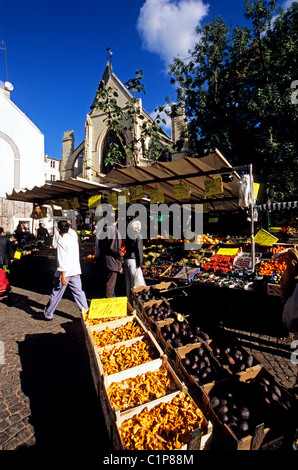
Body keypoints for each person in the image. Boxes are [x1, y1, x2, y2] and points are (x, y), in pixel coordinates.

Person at [42, 219, 89, 321]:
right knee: (79, 293)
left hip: (65, 272)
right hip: (75, 270)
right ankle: (86, 312)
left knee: (56, 293)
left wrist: (62, 274)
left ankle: (48, 313)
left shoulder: (61, 241)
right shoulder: (73, 239)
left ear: (58, 229)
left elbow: (62, 258)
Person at [96, 210, 123, 298]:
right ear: (117, 220)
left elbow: (100, 245)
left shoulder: (103, 229)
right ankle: (109, 305)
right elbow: (115, 248)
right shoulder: (114, 231)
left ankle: (107, 300)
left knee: (107, 282)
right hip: (112, 261)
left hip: (104, 259)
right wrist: (120, 259)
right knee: (110, 285)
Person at [123, 220, 145, 302]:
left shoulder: (128, 235)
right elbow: (139, 251)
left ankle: (129, 301)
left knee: (128, 282)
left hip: (126, 259)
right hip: (133, 260)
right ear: (138, 228)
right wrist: (139, 264)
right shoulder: (139, 235)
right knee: (135, 283)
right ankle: (135, 302)